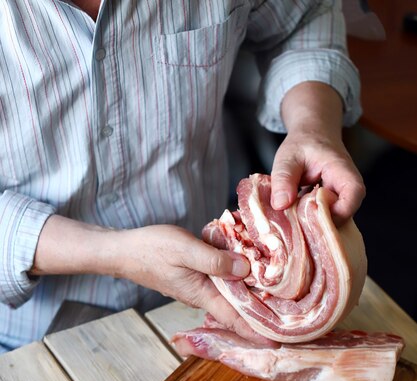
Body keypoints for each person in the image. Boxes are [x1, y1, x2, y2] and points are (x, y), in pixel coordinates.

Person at [0, 0, 365, 353]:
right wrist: (118, 254)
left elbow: (303, 19)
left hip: (212, 306)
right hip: (26, 339)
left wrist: (312, 125)